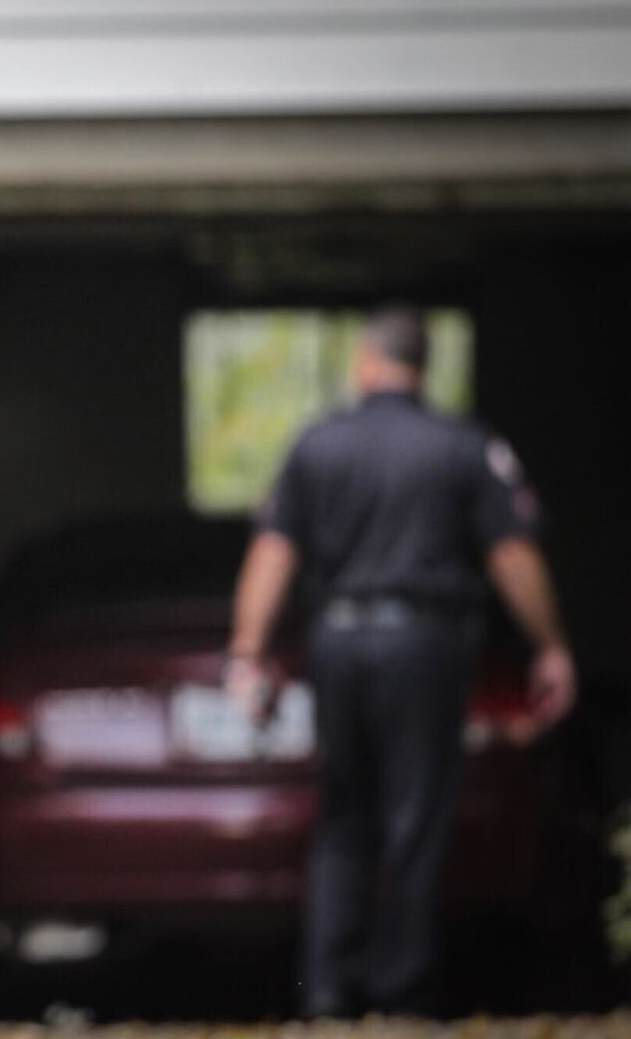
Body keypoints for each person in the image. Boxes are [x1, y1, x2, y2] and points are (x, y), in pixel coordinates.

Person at [222, 304, 575, 1017]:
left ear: (365, 361)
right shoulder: (464, 445)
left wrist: (247, 653)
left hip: (339, 644)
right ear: (424, 366)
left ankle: (326, 993)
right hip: (424, 647)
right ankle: (401, 995)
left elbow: (272, 554)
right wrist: (551, 647)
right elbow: (512, 555)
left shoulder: (318, 443)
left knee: (344, 812)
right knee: (415, 813)